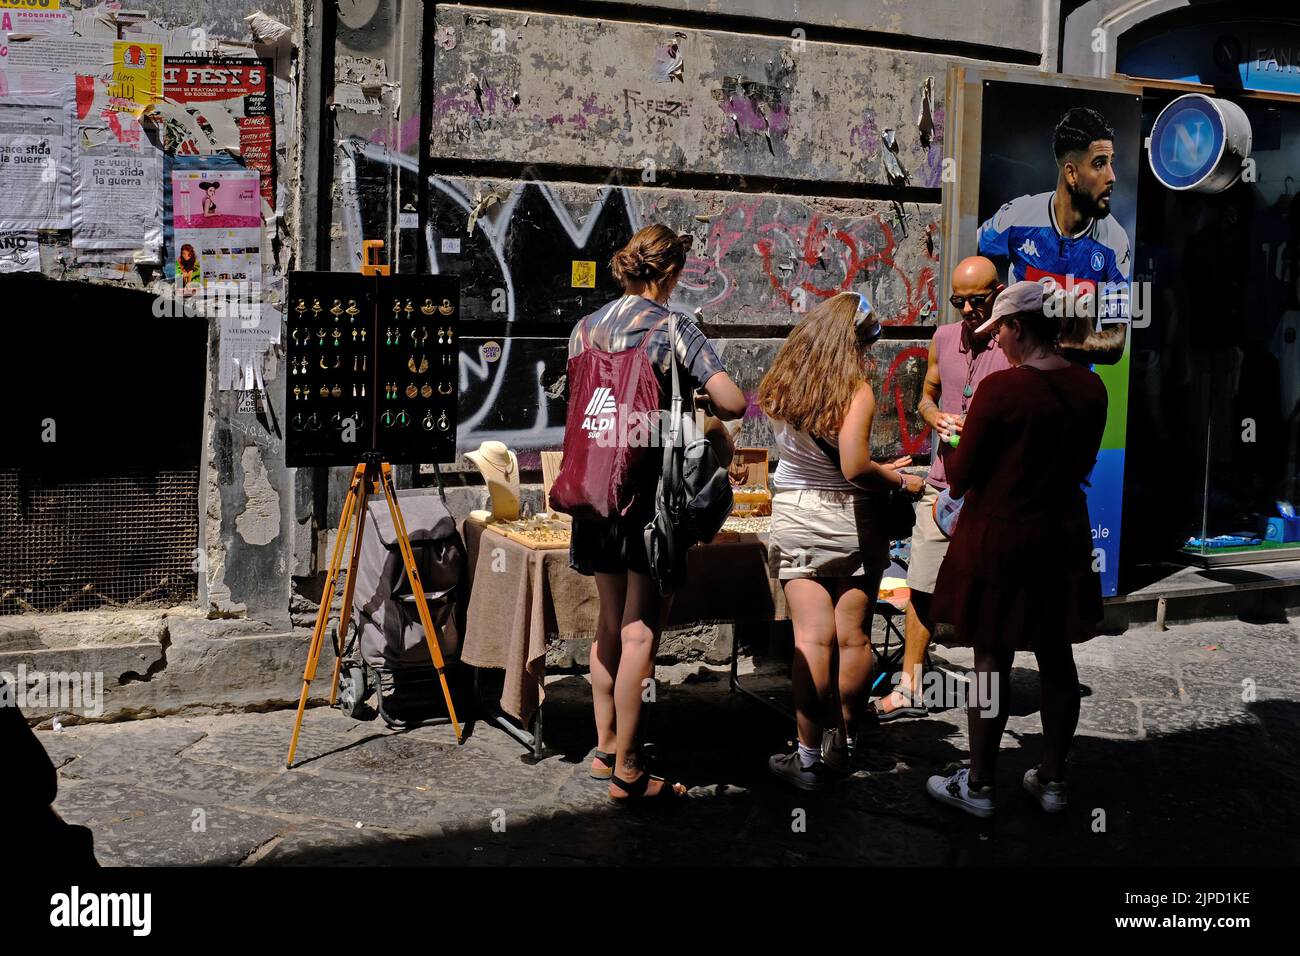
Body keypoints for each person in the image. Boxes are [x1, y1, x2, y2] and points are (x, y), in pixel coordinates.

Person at [569, 223, 747, 804]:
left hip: (594, 492)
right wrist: (687, 394)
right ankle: (629, 770)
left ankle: (603, 750)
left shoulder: (584, 329)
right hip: (648, 499)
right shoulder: (674, 329)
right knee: (641, 627)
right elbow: (733, 402)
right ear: (669, 273)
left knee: (607, 621)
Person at [924, 281, 1107, 818]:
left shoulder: (1002, 390)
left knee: (990, 661)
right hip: (1062, 534)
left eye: (1000, 328)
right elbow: (1080, 463)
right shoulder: (1092, 390)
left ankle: (979, 783)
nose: (996, 339)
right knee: (1057, 657)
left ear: (1019, 328)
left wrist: (954, 439)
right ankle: (1052, 777)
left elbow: (958, 478)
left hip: (1000, 537)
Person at [758, 292, 926, 790]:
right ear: (851, 342)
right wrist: (899, 480)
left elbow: (819, 458)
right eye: (866, 344)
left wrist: (874, 469)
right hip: (851, 521)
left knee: (810, 638)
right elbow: (854, 468)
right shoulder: (856, 391)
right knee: (853, 636)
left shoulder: (782, 384)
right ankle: (846, 743)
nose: (868, 355)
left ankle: (807, 758)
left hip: (798, 515)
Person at [873, 256, 1011, 721]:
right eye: (959, 301)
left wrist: (981, 425)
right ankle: (910, 685)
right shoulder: (943, 338)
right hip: (941, 486)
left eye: (978, 300)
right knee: (921, 585)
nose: (969, 310)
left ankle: (990, 694)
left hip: (991, 493)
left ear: (999, 291)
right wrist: (935, 417)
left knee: (990, 592)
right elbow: (925, 396)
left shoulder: (1012, 344)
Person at [977, 106, 1132, 366]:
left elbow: (1117, 342)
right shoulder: (1018, 217)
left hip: (1074, 385)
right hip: (1021, 374)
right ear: (1071, 173)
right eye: (1099, 164)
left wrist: (1073, 342)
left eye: (1111, 163)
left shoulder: (1115, 240)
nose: (1112, 177)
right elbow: (968, 254)